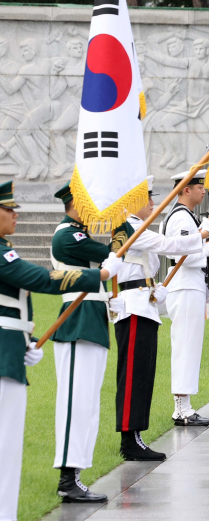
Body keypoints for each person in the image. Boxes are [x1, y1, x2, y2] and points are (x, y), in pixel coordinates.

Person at [0, 181, 117, 521]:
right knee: (7, 441)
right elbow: (36, 279)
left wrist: (24, 341)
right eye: (10, 209)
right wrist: (96, 275)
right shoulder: (56, 239)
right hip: (9, 348)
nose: (16, 214)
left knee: (11, 440)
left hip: (12, 350)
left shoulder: (6, 250)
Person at [109, 178, 209, 461]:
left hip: (144, 305)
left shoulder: (135, 227)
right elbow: (167, 244)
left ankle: (136, 437)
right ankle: (129, 440)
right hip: (132, 307)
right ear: (133, 203)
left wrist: (154, 288)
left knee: (143, 375)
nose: (154, 203)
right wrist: (201, 235)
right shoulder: (128, 226)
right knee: (132, 376)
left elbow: (143, 266)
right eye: (148, 199)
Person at [48, 183, 114, 504]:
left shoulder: (79, 234)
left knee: (88, 402)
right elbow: (108, 255)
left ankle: (75, 475)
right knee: (76, 401)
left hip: (93, 315)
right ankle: (66, 477)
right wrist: (122, 230)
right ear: (75, 204)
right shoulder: (67, 235)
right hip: (78, 317)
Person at [161, 170, 209, 426]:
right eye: (199, 186)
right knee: (185, 347)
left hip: (189, 288)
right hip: (184, 288)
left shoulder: (185, 217)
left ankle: (184, 406)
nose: (204, 191)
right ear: (186, 189)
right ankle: (182, 410)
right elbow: (184, 257)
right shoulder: (181, 219)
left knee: (189, 347)